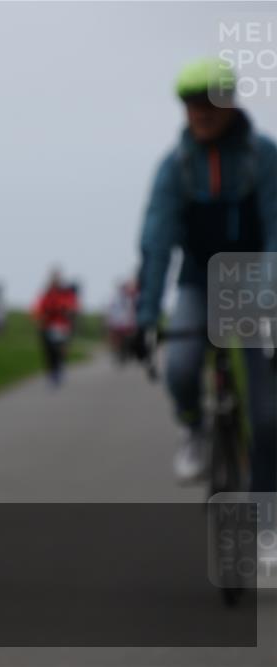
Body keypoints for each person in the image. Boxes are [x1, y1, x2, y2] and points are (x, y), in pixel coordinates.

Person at [132, 58, 276, 490]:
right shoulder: (175, 167)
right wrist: (146, 317)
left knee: (269, 419)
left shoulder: (263, 157)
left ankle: (263, 514)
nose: (202, 111)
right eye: (192, 102)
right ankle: (193, 426)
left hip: (256, 284)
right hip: (199, 282)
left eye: (212, 100)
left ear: (231, 103)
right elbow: (157, 243)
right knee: (180, 365)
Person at [31, 269, 79, 386]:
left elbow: (72, 308)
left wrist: (67, 311)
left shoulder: (66, 294)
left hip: (62, 326)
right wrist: (40, 317)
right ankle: (52, 372)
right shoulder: (46, 294)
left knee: (61, 350)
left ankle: (59, 368)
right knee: (49, 351)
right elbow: (37, 309)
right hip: (48, 326)